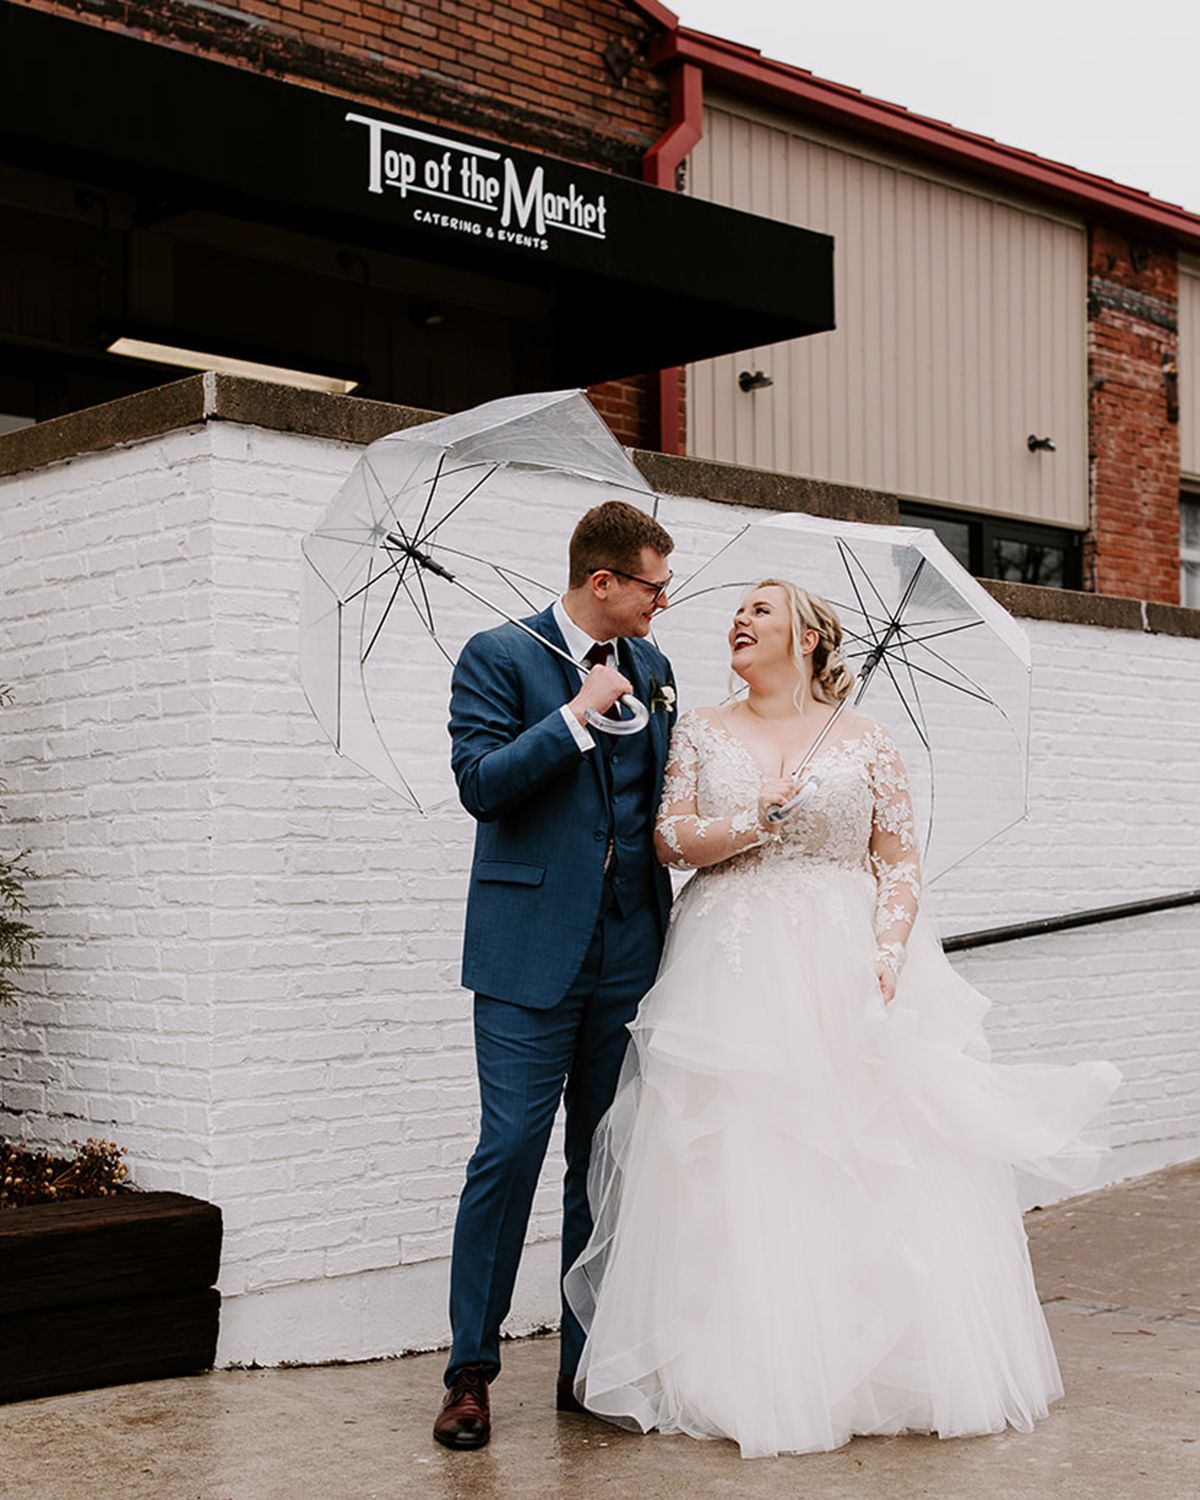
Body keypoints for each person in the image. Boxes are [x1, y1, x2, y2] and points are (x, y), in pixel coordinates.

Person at [565, 578, 1120, 1459]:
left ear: (809, 638)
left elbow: (899, 858)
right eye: (736, 612)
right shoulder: (703, 728)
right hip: (731, 962)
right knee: (744, 1149)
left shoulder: (867, 740)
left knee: (855, 1145)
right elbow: (669, 839)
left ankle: (872, 1360)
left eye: (762, 611)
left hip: (839, 955)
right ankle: (745, 1366)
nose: (739, 622)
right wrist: (751, 819)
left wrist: (887, 952)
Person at [434, 500, 677, 1450]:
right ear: (603, 581)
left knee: (603, 1163)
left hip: (630, 951)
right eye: (655, 585)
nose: (665, 602)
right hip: (528, 949)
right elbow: (480, 784)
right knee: (508, 1154)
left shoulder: (655, 667)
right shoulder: (499, 655)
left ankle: (587, 1366)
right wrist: (574, 716)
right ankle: (469, 1373)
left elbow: (660, 797)